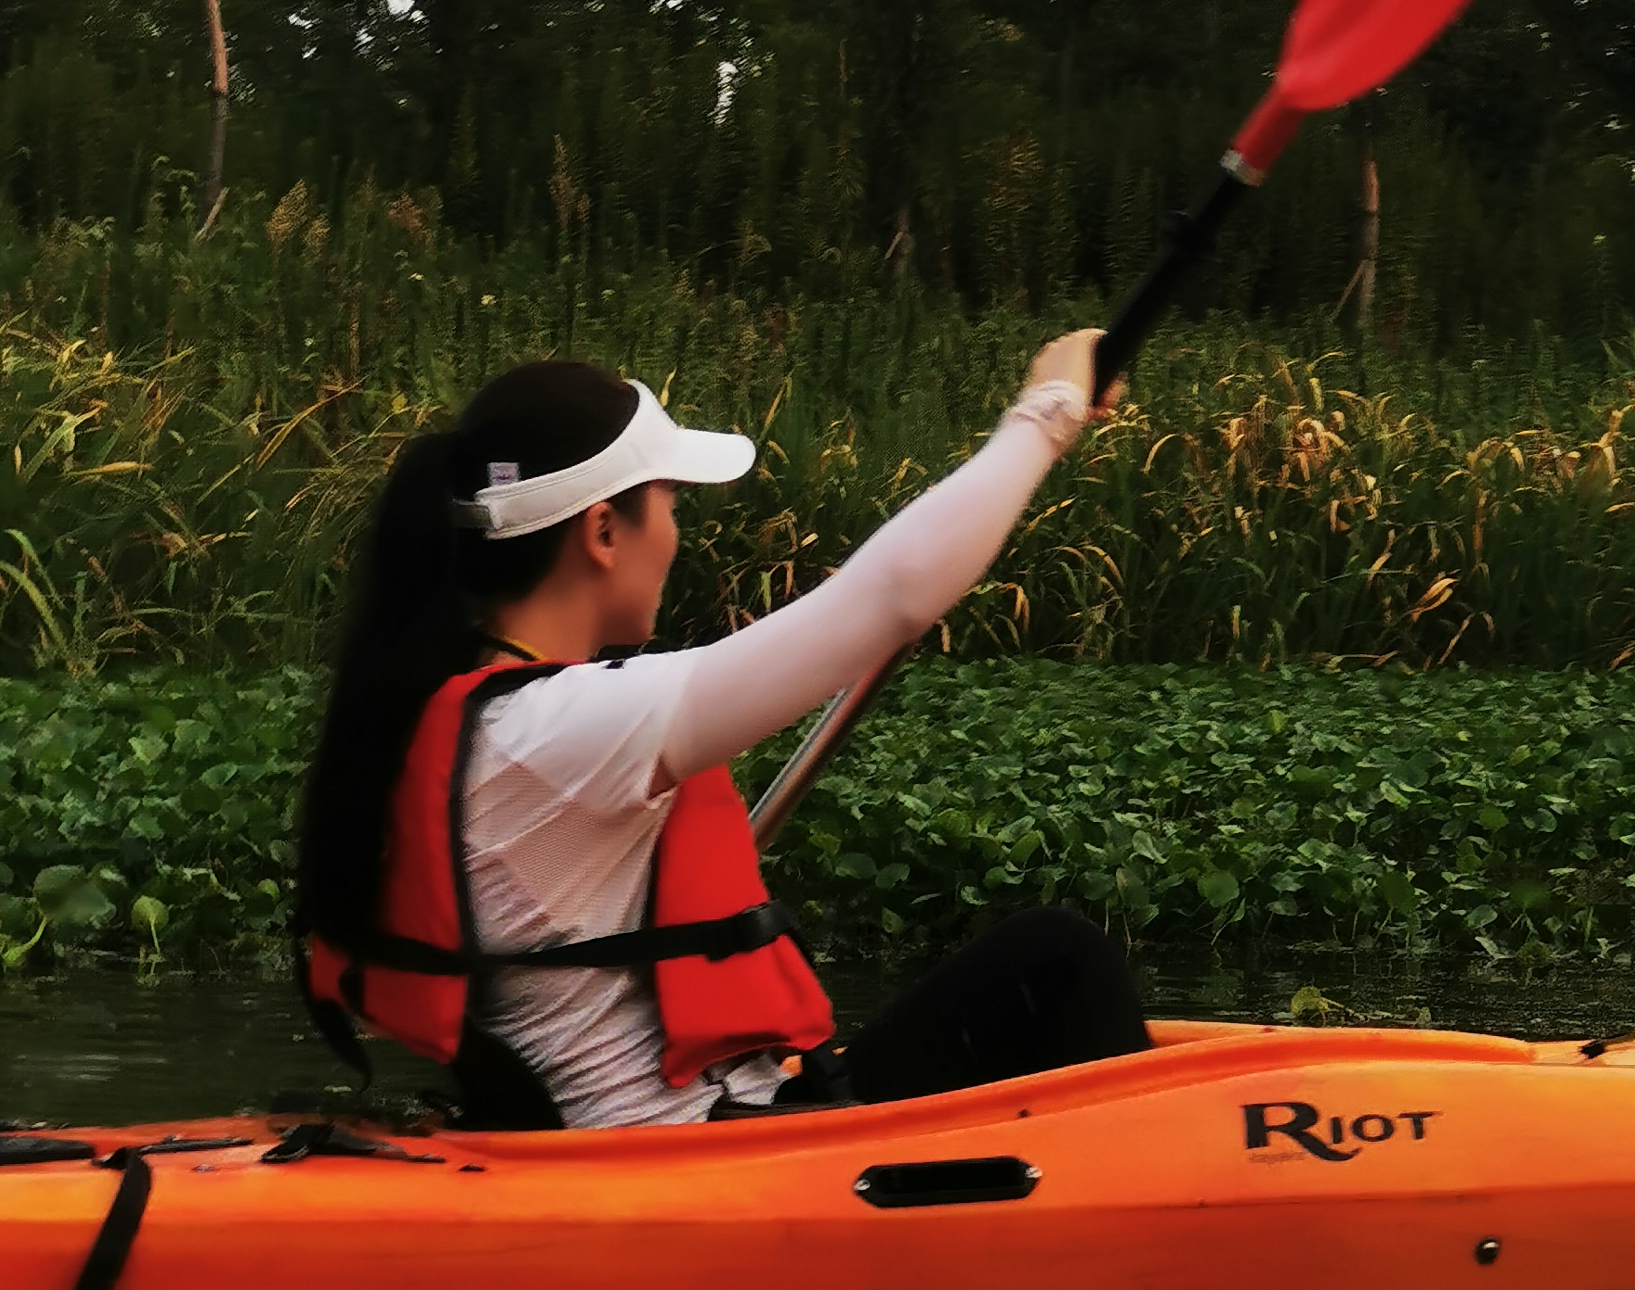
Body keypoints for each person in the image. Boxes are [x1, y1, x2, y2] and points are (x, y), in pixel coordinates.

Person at [294, 331, 1152, 1127]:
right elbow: (891, 595)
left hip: (688, 1129)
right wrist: (1047, 411)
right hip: (683, 1152)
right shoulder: (560, 728)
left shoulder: (483, 714)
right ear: (603, 531)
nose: (676, 529)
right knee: (1058, 961)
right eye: (668, 499)